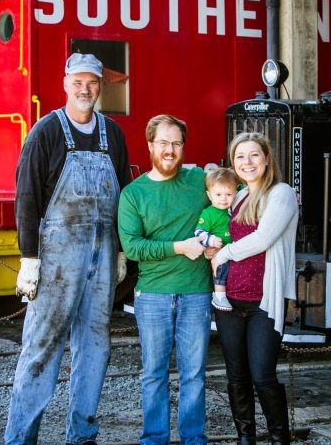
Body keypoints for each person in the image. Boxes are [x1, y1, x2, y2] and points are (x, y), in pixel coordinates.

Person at [5, 53, 131, 445]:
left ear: (100, 86)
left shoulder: (114, 132)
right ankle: (20, 439)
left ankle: (83, 435)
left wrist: (123, 251)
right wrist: (29, 258)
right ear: (65, 84)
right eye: (77, 81)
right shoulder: (45, 132)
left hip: (103, 256)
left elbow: (123, 194)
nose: (85, 89)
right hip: (57, 260)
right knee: (42, 348)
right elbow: (26, 197)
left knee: (95, 345)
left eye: (92, 82)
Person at [117, 114, 212, 445]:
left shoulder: (200, 180)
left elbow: (238, 194)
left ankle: (193, 439)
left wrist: (282, 194)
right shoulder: (133, 194)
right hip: (152, 296)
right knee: (154, 375)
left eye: (176, 143)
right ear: (150, 145)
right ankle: (154, 439)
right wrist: (179, 247)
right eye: (163, 143)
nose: (170, 150)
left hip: (196, 293)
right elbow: (132, 247)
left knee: (194, 376)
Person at [210, 132, 298, 445]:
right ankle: (245, 438)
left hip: (264, 301)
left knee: (263, 376)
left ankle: (279, 439)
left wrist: (224, 253)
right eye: (240, 157)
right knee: (237, 376)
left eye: (253, 155)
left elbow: (263, 238)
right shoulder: (240, 196)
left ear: (266, 159)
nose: (247, 163)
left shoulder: (282, 193)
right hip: (230, 300)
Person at [194, 167, 238, 311]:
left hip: (234, 250)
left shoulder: (235, 209)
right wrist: (211, 240)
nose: (224, 199)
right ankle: (219, 295)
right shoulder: (208, 213)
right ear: (209, 195)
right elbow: (199, 232)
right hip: (218, 251)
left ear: (236, 193)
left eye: (228, 194)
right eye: (218, 194)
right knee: (221, 266)